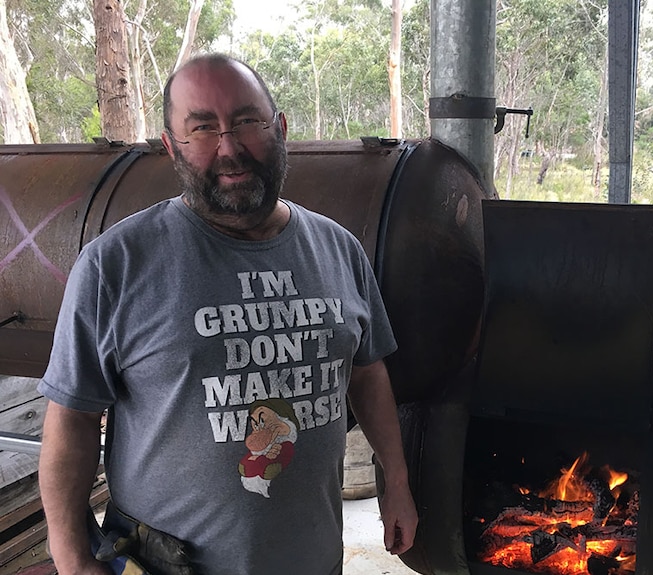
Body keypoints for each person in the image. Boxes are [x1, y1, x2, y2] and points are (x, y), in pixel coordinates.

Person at [37, 53, 417, 575]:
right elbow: (73, 418)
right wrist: (73, 557)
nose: (230, 148)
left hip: (313, 560)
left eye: (246, 122)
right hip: (168, 565)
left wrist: (394, 479)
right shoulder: (116, 264)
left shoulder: (339, 249)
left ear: (279, 128)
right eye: (202, 129)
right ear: (172, 148)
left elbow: (367, 371)